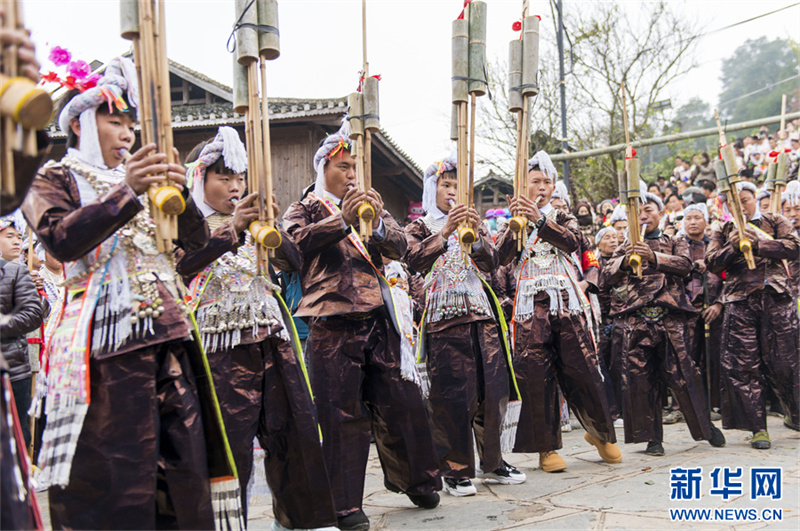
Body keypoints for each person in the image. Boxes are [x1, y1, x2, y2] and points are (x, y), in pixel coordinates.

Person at [21, 57, 240, 529]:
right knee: (116, 469)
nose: (125, 133)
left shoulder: (142, 182)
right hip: (103, 343)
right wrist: (128, 190)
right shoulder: (53, 179)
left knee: (182, 465)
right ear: (80, 122)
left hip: (169, 336)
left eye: (129, 124)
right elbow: (61, 240)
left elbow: (194, 244)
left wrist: (177, 196)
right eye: (113, 121)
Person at [175, 127, 338, 529]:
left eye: (239, 177)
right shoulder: (185, 223)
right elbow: (181, 264)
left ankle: (305, 517)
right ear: (200, 178)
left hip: (272, 337)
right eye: (224, 177)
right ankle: (228, 521)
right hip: (219, 346)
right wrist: (233, 226)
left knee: (296, 427)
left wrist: (271, 228)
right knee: (230, 442)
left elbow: (294, 261)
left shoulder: (255, 224)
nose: (235, 186)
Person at [282, 121, 441, 531]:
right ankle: (344, 504)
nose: (351, 174)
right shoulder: (305, 208)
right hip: (330, 321)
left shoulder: (373, 205)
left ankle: (417, 478)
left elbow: (404, 248)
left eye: (354, 167)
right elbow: (290, 248)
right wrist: (342, 222)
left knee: (402, 401)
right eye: (343, 167)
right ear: (323, 169)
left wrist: (380, 224)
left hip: (379, 316)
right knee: (340, 414)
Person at [404, 156, 524, 497]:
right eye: (446, 185)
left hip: (482, 314)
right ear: (433, 189)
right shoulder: (420, 227)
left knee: (492, 389)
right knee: (452, 397)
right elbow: (411, 261)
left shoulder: (477, 226)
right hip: (444, 320)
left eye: (458, 186)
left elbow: (493, 262)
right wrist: (445, 232)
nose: (453, 192)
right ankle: (454, 469)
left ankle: (494, 461)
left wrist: (474, 238)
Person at [497, 151, 621, 473]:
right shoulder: (513, 220)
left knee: (583, 366)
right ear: (523, 185)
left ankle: (601, 433)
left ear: (554, 187)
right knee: (535, 373)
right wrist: (516, 227)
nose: (541, 187)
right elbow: (498, 258)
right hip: (529, 305)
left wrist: (540, 220)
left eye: (546, 181)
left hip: (567, 300)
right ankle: (545, 448)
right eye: (534, 181)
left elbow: (574, 242)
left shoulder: (562, 216)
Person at [600, 186, 726, 456]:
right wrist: (624, 261)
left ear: (660, 213)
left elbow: (684, 265)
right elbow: (606, 275)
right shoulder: (624, 245)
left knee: (683, 375)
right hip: (635, 320)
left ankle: (705, 427)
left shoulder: (674, 240)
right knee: (640, 380)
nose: (644, 216)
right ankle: (651, 438)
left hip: (669, 319)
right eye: (639, 211)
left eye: (649, 210)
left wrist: (653, 257)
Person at [706, 181, 800, 449]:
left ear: (755, 199)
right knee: (744, 366)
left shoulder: (774, 220)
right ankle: (758, 428)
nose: (741, 206)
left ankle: (793, 413)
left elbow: (793, 247)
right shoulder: (722, 230)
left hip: (777, 298)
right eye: (733, 202)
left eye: (745, 200)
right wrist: (733, 247)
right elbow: (712, 263)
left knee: (786, 362)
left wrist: (759, 243)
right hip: (740, 302)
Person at [0, 214, 45, 451]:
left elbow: (33, 315)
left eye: (18, 237)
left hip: (12, 369)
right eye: (10, 237)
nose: (17, 242)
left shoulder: (16, 272)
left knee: (16, 435)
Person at [680, 203, 723, 417]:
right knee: (687, 358)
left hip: (713, 309)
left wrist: (719, 303)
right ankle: (688, 406)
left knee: (716, 357)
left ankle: (716, 404)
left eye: (697, 217)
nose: (693, 222)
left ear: (706, 221)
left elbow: (729, 277)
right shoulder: (677, 246)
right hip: (686, 311)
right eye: (688, 218)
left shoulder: (715, 245)